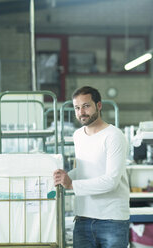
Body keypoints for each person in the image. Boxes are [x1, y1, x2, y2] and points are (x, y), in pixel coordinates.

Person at [53, 86, 130, 248]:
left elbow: (111, 181)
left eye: (86, 106)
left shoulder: (114, 136)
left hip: (111, 220)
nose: (81, 112)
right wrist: (64, 176)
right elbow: (84, 171)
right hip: (83, 218)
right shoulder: (78, 135)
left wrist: (72, 184)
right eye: (77, 108)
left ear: (99, 105)